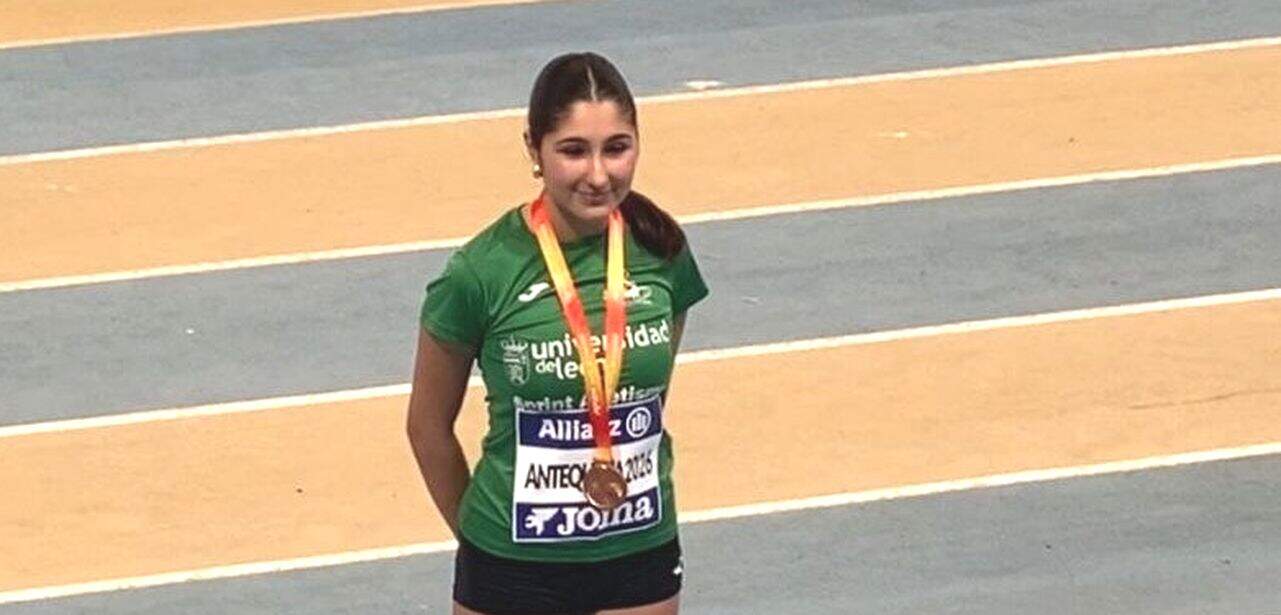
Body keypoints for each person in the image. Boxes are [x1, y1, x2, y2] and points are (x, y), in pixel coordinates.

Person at [406, 52, 710, 615]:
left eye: (616, 148)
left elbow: (645, 394)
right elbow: (427, 427)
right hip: (511, 565)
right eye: (574, 150)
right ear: (534, 150)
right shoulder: (480, 272)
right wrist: (482, 543)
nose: (598, 175)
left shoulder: (663, 251)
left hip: (639, 554)